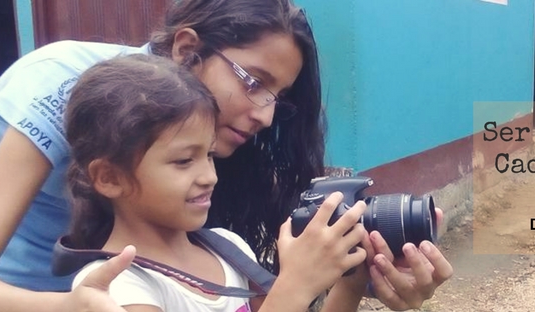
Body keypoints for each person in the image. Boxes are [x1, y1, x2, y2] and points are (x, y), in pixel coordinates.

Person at [0, 0, 453, 311]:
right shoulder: (58, 86)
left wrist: (355, 276)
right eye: (256, 82)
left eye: (277, 98)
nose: (264, 115)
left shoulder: (212, 234)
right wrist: (72, 309)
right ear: (187, 48)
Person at [63, 53, 372, 312]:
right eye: (184, 161)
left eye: (209, 155)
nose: (209, 176)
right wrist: (296, 284)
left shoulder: (230, 249)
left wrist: (351, 281)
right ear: (110, 178)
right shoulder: (118, 289)